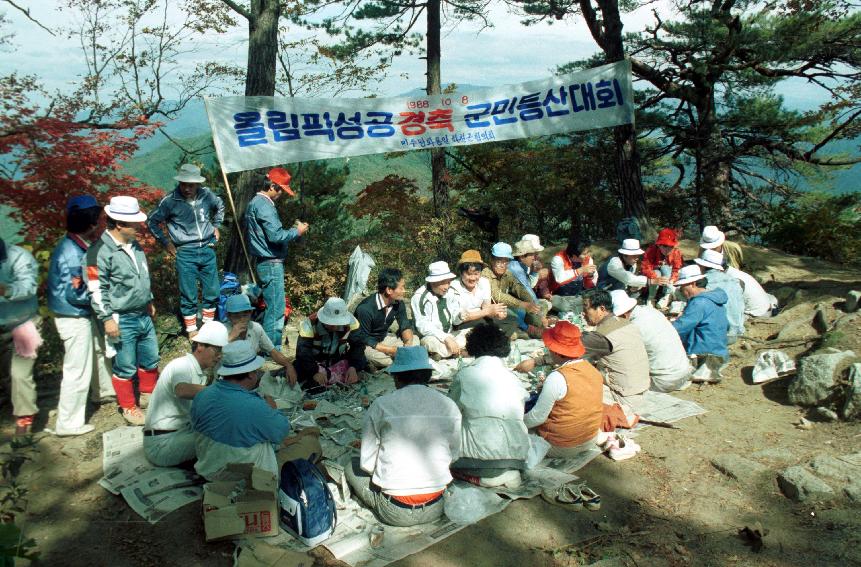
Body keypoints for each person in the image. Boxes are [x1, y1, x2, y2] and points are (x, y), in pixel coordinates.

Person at [346, 346, 461, 527]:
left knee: (351, 466)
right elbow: (453, 455)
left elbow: (367, 465)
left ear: (396, 377)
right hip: (437, 506)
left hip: (394, 511)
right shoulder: (449, 405)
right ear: (428, 376)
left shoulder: (381, 405)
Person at [85, 196, 159, 426]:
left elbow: (143, 275)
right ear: (119, 224)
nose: (139, 227)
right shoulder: (99, 253)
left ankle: (149, 394)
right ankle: (128, 407)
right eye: (134, 223)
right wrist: (107, 319)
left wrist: (149, 299)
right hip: (121, 317)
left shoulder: (134, 246)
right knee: (125, 364)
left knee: (150, 356)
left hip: (142, 313)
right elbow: (96, 289)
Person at [47, 196, 114, 436]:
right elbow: (76, 293)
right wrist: (103, 299)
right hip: (73, 316)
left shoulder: (76, 245)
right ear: (89, 223)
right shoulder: (72, 253)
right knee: (78, 368)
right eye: (97, 220)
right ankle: (68, 423)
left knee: (96, 352)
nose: (99, 225)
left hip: (77, 314)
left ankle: (104, 392)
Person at [191, 340, 293, 479]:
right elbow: (282, 432)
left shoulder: (202, 395)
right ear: (251, 374)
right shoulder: (255, 406)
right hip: (240, 479)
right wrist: (272, 409)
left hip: (207, 470)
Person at [147, 164, 225, 337]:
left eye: (191, 184)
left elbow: (219, 205)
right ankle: (192, 331)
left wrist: (216, 226)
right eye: (183, 184)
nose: (187, 188)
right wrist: (165, 242)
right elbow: (151, 221)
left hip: (207, 247)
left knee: (212, 290)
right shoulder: (169, 201)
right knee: (188, 292)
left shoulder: (206, 194)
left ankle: (208, 326)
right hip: (185, 251)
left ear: (197, 183)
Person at [449, 324, 529, 488]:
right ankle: (505, 474)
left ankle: (487, 479)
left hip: (479, 460)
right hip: (518, 457)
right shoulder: (513, 378)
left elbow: (449, 413)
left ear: (473, 346)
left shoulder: (465, 375)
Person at [143, 321, 228, 467]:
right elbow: (182, 390)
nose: (219, 356)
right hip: (162, 444)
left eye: (221, 351)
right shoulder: (181, 365)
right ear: (200, 346)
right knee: (223, 439)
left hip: (179, 434)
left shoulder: (198, 372)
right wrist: (223, 393)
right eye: (216, 350)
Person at [244, 167, 309, 351]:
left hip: (265, 261)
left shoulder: (255, 203)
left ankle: (266, 348)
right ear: (272, 186)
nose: (281, 195)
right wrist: (297, 231)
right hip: (271, 262)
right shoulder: (264, 205)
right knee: (275, 309)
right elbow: (276, 236)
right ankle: (272, 351)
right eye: (281, 190)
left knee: (271, 307)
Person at [523, 321, 604, 457]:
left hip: (562, 446)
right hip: (590, 439)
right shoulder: (592, 370)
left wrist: (516, 422)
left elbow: (537, 418)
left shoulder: (557, 378)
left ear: (555, 350)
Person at [610, 290, 692, 392]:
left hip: (663, 380)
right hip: (683, 373)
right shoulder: (650, 311)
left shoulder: (634, 327)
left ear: (623, 315)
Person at [0, 238, 41, 435]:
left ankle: (25, 420)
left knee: (19, 374)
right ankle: (16, 404)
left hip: (24, 323)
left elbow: (29, 287)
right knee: (8, 375)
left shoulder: (18, 256)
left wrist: (5, 289)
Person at [581, 289, 651, 399]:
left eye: (586, 308)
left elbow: (569, 349)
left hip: (623, 395)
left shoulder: (603, 334)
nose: (583, 313)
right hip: (642, 387)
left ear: (601, 309)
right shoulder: (626, 323)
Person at [671, 265, 729, 383]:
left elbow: (679, 328)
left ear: (693, 284)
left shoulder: (699, 302)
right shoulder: (715, 299)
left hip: (702, 353)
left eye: (682, 287)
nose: (682, 291)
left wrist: (664, 327)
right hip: (719, 351)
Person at [352, 268, 418, 369]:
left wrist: (408, 344)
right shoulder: (365, 309)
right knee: (370, 355)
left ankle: (401, 359)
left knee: (415, 340)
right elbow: (362, 338)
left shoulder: (398, 303)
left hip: (384, 339)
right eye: (401, 288)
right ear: (389, 290)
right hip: (367, 345)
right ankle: (403, 360)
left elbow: (404, 325)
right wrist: (389, 350)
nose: (404, 291)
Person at [223, 294, 297, 382]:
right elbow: (213, 357)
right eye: (236, 316)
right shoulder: (221, 330)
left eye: (245, 314)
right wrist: (231, 337)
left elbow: (272, 351)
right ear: (228, 316)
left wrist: (289, 365)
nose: (242, 319)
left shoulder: (255, 328)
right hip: (229, 378)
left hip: (251, 377)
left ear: (250, 313)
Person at [295, 297, 365, 389]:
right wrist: (314, 372)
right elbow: (303, 352)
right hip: (314, 362)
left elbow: (358, 346)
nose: (334, 326)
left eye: (338, 323)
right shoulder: (309, 324)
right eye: (330, 323)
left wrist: (353, 367)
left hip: (337, 360)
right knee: (299, 369)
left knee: (361, 362)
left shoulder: (352, 323)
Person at [481, 242, 542, 336]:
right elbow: (497, 295)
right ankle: (524, 329)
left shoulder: (507, 273)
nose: (502, 265)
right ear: (492, 260)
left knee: (531, 315)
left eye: (506, 261)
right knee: (513, 315)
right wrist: (522, 304)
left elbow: (518, 288)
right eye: (499, 261)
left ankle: (521, 328)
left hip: (502, 308)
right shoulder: (486, 274)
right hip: (488, 310)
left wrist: (531, 302)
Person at [411, 261, 466, 359]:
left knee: (474, 333)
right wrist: (445, 338)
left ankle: (451, 352)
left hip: (450, 333)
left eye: (448, 282)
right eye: (442, 283)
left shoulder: (452, 292)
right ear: (433, 282)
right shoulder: (419, 297)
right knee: (433, 344)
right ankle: (459, 351)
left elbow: (455, 319)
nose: (446, 287)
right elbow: (423, 326)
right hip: (432, 336)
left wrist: (459, 316)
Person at [448, 250, 507, 330]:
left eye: (476, 274)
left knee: (511, 320)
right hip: (463, 323)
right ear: (461, 273)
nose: (472, 278)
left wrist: (496, 314)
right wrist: (487, 312)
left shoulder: (484, 282)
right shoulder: (453, 287)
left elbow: (486, 307)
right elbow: (456, 319)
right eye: (468, 274)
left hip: (481, 318)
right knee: (487, 330)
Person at [695, 249, 746, 342]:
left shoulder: (705, 283)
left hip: (717, 336)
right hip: (737, 332)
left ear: (702, 266)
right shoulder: (736, 282)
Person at [547, 235, 597, 311]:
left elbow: (589, 284)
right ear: (574, 255)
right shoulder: (558, 259)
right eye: (584, 254)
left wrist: (590, 276)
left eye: (588, 252)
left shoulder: (588, 259)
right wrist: (580, 270)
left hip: (578, 295)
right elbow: (559, 279)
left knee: (595, 300)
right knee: (565, 306)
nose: (587, 256)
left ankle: (580, 307)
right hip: (560, 296)